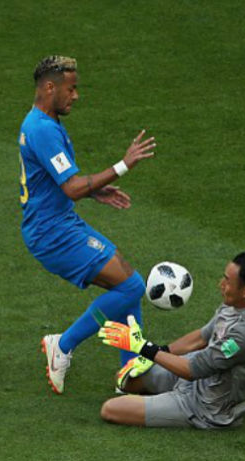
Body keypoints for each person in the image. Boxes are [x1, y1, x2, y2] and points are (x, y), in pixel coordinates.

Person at [18, 55, 157, 394]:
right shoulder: (42, 130)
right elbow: (71, 187)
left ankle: (130, 370)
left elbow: (61, 183)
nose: (76, 96)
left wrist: (95, 192)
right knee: (131, 286)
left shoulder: (43, 124)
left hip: (58, 224)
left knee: (125, 286)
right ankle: (62, 346)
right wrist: (122, 166)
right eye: (71, 88)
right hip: (52, 233)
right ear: (50, 87)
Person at [98, 252, 245, 429]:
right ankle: (161, 398)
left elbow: (192, 371)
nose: (221, 284)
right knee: (125, 380)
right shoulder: (238, 303)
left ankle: (167, 404)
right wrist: (161, 351)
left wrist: (144, 348)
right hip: (197, 374)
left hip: (207, 406)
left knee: (110, 409)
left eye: (227, 281)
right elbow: (201, 337)